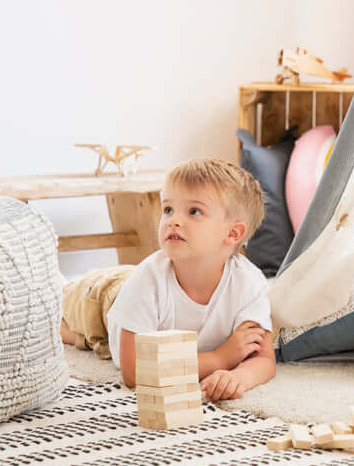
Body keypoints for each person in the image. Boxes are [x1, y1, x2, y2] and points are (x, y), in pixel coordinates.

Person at [62, 157, 275, 401]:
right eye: (168, 209)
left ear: (233, 233)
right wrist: (219, 359)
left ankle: (80, 338)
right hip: (104, 295)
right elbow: (133, 372)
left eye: (194, 211)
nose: (173, 220)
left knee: (98, 342)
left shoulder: (248, 283)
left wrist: (239, 378)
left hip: (137, 312)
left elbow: (264, 359)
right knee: (55, 305)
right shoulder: (148, 278)